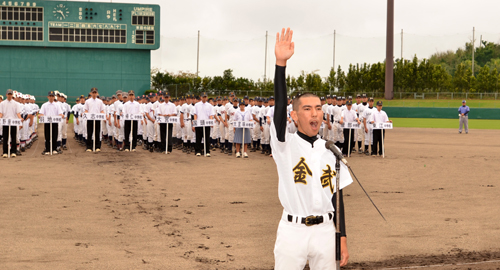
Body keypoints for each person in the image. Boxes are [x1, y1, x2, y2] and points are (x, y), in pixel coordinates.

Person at [272, 28, 352, 270]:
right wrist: (280, 65)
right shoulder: (285, 145)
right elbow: (278, 108)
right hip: (292, 231)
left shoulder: (331, 150)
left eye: (318, 107)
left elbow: (337, 197)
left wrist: (343, 238)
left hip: (326, 232)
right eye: (307, 109)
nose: (314, 113)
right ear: (295, 115)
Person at [38, 91, 64, 155]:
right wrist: (40, 116)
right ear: (48, 97)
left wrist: (61, 115)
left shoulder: (57, 105)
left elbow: (60, 113)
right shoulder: (44, 105)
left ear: (54, 97)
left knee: (54, 136)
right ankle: (47, 149)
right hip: (47, 122)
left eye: (52, 96)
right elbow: (41, 114)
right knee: (47, 136)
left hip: (55, 122)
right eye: (50, 96)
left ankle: (54, 149)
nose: (51, 97)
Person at [0, 89, 23, 158]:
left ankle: (13, 151)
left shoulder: (16, 104)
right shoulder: (2, 103)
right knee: (5, 137)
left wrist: (20, 118)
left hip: (13, 122)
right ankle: (5, 152)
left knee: (13, 137)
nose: (9, 95)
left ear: (12, 95)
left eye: (10, 94)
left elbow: (18, 113)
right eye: (8, 94)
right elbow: (1, 113)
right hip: (5, 122)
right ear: (6, 95)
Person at [192, 92, 214, 157]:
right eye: (203, 97)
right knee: (198, 138)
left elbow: (211, 115)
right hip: (199, 124)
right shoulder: (197, 105)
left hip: (206, 124)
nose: (204, 98)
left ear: (206, 97)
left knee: (207, 138)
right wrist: (194, 124)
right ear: (201, 97)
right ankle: (198, 151)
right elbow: (195, 114)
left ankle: (207, 151)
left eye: (205, 97)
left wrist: (211, 122)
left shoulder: (209, 105)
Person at [84, 87, 106, 152]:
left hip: (97, 119)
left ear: (97, 93)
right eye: (93, 92)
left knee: (97, 133)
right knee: (89, 133)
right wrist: (86, 115)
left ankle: (97, 147)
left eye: (95, 92)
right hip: (90, 119)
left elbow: (102, 110)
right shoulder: (87, 101)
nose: (94, 94)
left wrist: (102, 115)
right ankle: (89, 147)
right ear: (91, 93)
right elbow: (86, 110)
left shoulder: (100, 101)